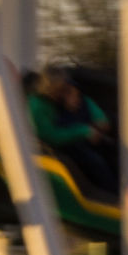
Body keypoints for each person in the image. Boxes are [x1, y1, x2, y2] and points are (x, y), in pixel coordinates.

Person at [27, 66, 116, 194]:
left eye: (64, 89)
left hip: (77, 139)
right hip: (53, 150)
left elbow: (96, 115)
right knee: (95, 162)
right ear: (49, 87)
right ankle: (112, 193)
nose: (62, 93)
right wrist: (84, 131)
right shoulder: (37, 106)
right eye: (59, 90)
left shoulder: (60, 97)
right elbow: (51, 137)